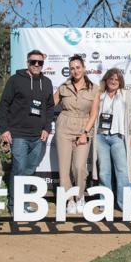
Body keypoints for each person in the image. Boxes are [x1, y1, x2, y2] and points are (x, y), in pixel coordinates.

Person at [0, 49, 54, 216]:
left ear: (43, 64)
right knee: (19, 169)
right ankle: (14, 205)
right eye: (33, 62)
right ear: (27, 63)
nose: (36, 65)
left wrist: (47, 128)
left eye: (40, 62)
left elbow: (49, 108)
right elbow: (3, 105)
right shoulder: (15, 80)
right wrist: (4, 129)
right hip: (18, 135)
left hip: (37, 136)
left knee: (30, 171)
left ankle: (25, 202)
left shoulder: (47, 82)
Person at [54, 55, 99, 214]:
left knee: (79, 167)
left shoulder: (94, 88)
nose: (75, 71)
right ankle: (70, 200)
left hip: (83, 128)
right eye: (72, 68)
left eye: (78, 67)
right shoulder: (64, 87)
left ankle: (80, 196)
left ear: (84, 68)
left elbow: (93, 114)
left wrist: (85, 132)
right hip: (64, 128)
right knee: (64, 168)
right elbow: (50, 104)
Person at [90, 68, 131, 211]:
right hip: (101, 137)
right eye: (111, 79)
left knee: (123, 172)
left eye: (116, 79)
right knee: (104, 172)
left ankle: (126, 206)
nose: (113, 81)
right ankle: (105, 204)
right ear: (106, 80)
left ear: (120, 81)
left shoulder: (126, 94)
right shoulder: (99, 95)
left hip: (119, 137)